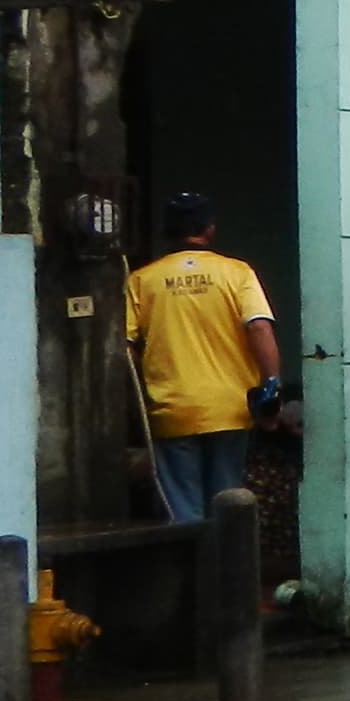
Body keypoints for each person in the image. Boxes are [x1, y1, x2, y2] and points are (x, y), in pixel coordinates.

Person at [125, 191, 280, 525]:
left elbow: (125, 347)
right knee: (228, 507)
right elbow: (259, 329)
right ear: (209, 228)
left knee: (183, 515)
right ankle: (227, 576)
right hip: (230, 408)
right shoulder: (237, 273)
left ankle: (193, 576)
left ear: (167, 230)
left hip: (172, 409)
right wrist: (271, 387)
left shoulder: (142, 279)